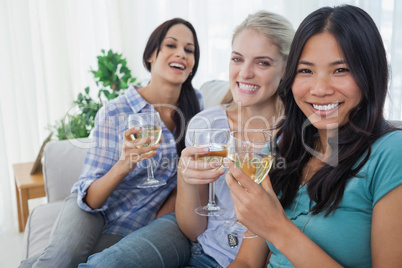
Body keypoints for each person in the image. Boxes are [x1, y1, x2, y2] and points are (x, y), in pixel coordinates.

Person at [77, 10, 294, 268]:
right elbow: (192, 230)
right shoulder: (206, 123)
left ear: (286, 69)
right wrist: (186, 177)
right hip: (190, 240)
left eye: (262, 63)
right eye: (237, 59)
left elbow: (253, 255)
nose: (244, 73)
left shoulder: (292, 140)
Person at [225, 5, 402, 267]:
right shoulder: (279, 148)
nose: (319, 89)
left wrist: (277, 229)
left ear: (369, 73)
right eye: (305, 71)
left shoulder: (391, 153)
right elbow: (248, 262)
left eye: (340, 70)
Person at [19, 17, 202, 268]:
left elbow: (186, 176)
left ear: (193, 63)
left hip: (136, 222)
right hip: (91, 207)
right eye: (171, 45)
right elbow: (91, 199)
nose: (181, 54)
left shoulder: (197, 109)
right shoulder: (115, 112)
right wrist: (124, 165)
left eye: (189, 50)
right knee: (61, 259)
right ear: (151, 55)